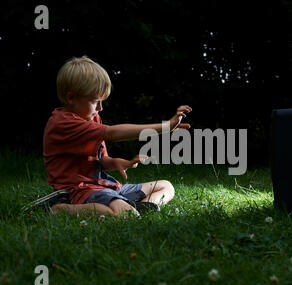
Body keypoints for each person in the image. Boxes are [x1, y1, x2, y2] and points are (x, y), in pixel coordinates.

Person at [39, 56, 192, 217]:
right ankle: (62, 209)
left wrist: (118, 163)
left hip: (104, 186)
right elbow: (113, 133)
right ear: (71, 98)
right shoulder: (64, 123)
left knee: (165, 186)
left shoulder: (92, 118)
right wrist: (166, 127)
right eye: (95, 101)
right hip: (80, 190)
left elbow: (101, 161)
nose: (101, 108)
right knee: (122, 215)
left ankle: (143, 207)